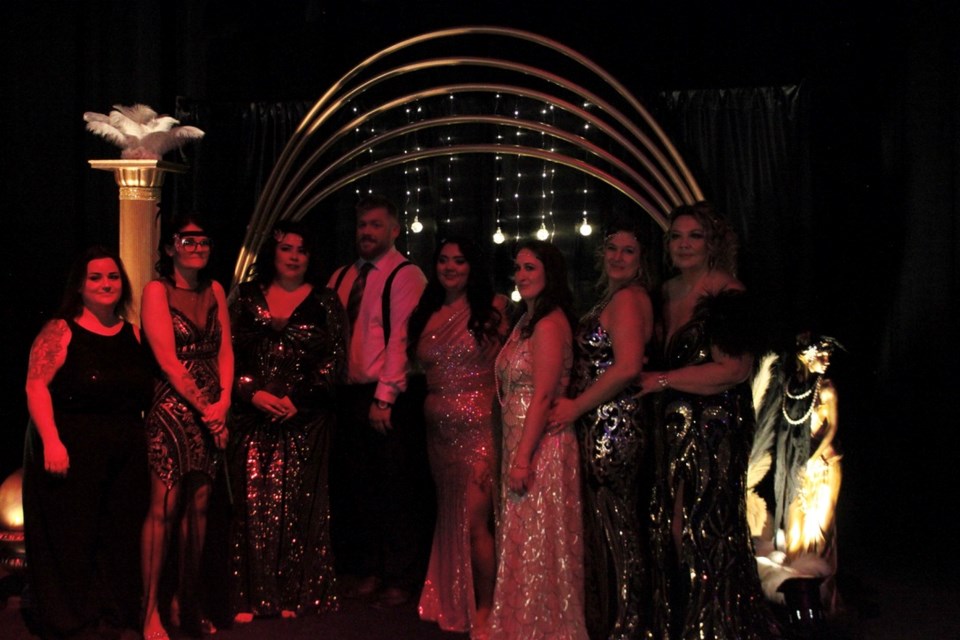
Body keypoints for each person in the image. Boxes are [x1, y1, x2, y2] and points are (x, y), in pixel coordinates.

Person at [639, 202, 780, 639]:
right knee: (669, 527)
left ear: (712, 243)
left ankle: (718, 626)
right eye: (676, 236)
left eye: (694, 236)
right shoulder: (663, 292)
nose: (683, 244)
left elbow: (734, 370)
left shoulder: (727, 291)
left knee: (703, 528)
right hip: (670, 426)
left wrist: (662, 380)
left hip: (715, 425)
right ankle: (685, 623)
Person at [23, 246, 152, 639]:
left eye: (112, 277)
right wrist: (51, 441)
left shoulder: (134, 333)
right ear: (79, 286)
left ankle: (112, 610)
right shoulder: (60, 330)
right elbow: (36, 385)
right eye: (95, 277)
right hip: (73, 446)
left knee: (119, 533)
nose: (105, 284)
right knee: (72, 535)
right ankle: (69, 618)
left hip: (126, 449)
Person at [229, 220, 347, 620]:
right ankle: (250, 595)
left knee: (299, 504)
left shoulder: (326, 301)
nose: (294, 256)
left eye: (302, 250)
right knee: (252, 504)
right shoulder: (245, 298)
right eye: (287, 248)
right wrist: (252, 392)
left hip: (306, 419)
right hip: (252, 416)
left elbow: (334, 362)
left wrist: (298, 399)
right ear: (273, 253)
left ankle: (295, 595)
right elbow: (227, 358)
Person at [548, 221, 654, 639]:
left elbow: (627, 367)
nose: (617, 257)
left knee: (615, 526)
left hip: (613, 423)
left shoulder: (628, 299)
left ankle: (624, 626)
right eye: (612, 248)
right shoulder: (621, 297)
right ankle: (617, 621)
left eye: (629, 251)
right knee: (612, 523)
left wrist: (576, 405)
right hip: (606, 420)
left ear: (643, 259)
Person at [327, 195, 429, 608]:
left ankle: (399, 576)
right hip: (347, 394)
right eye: (361, 225)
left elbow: (401, 340)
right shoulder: (341, 276)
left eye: (375, 225)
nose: (366, 233)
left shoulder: (405, 275)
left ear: (394, 229)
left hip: (387, 395)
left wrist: (384, 398)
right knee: (358, 488)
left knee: (394, 488)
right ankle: (367, 568)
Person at [407, 237, 508, 636]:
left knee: (475, 522)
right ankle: (453, 596)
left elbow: (509, 371)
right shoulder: (426, 312)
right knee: (450, 515)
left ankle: (486, 608)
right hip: (439, 431)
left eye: (460, 261)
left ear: (473, 266)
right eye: (444, 260)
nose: (450, 267)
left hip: (480, 426)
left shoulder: (493, 308)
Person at [140, 213, 233, 640]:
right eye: (188, 240)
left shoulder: (215, 290)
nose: (198, 246)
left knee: (199, 509)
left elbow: (225, 352)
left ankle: (188, 604)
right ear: (170, 247)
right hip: (173, 408)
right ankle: (150, 613)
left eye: (203, 240)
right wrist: (206, 409)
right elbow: (168, 362)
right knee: (165, 509)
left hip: (213, 407)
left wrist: (224, 403)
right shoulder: (156, 291)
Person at [489, 240, 587, 640]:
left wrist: (523, 459)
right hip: (522, 443)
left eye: (531, 267)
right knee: (524, 541)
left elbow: (544, 396)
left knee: (540, 545)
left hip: (541, 447)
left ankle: (543, 629)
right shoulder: (526, 321)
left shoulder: (548, 324)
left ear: (550, 272)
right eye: (518, 268)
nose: (522, 275)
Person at [772, 332, 844, 613]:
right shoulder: (794, 389)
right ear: (805, 355)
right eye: (820, 353)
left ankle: (825, 600)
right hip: (797, 469)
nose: (826, 360)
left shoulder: (827, 388)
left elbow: (833, 429)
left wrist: (810, 458)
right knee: (796, 533)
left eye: (829, 354)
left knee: (820, 529)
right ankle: (797, 599)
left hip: (822, 467)